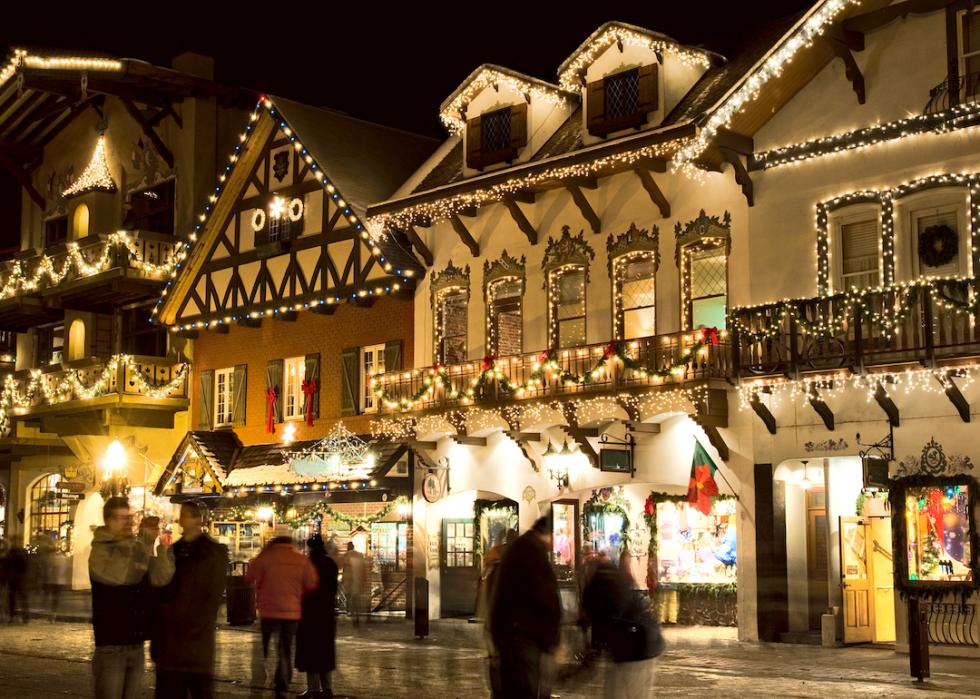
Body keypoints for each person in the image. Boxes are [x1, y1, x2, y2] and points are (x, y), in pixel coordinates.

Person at [90, 496, 174, 699]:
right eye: (121, 518)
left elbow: (161, 578)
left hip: (136, 644)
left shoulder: (137, 547)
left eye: (129, 517)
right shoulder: (100, 549)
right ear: (108, 521)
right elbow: (121, 577)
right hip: (110, 645)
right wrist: (141, 546)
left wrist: (161, 549)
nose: (128, 522)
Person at [152, 502, 228, 698]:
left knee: (199, 689)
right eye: (182, 515)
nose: (182, 520)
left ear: (197, 520)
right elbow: (164, 590)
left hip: (197, 641)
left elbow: (213, 596)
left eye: (186, 515)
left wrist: (197, 622)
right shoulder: (174, 550)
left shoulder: (213, 552)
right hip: (171, 642)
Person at [489, 516, 560, 699]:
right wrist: (552, 640)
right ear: (547, 534)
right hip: (524, 639)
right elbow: (545, 597)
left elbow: (498, 598)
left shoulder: (519, 549)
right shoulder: (533, 552)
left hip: (510, 637)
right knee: (524, 690)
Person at [245, 531, 318, 698]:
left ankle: (261, 679)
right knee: (285, 649)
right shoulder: (300, 559)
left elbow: (249, 576)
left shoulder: (266, 556)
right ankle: (282, 683)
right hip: (292, 613)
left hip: (268, 611)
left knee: (264, 647)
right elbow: (311, 583)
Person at [580, 556, 664, 699]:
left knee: (622, 693)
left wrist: (591, 656)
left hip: (636, 647)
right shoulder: (611, 581)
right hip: (639, 645)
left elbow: (606, 622)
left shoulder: (604, 586)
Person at [295, 535, 338, 699]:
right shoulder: (330, 563)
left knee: (311, 650)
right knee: (325, 650)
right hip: (326, 611)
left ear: (310, 548)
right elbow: (333, 587)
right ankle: (327, 688)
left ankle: (313, 688)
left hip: (309, 612)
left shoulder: (306, 564)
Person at [480, 528, 517, 698]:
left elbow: (485, 604)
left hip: (498, 630)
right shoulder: (514, 567)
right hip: (508, 631)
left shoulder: (493, 567)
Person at [340, 542, 367, 624]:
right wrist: (364, 578)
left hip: (348, 578)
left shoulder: (346, 555)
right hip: (357, 578)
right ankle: (356, 611)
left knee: (348, 595)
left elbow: (343, 568)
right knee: (356, 596)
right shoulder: (360, 555)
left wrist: (343, 578)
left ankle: (349, 611)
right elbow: (363, 568)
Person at [44, 546, 72, 620]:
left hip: (53, 581)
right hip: (60, 581)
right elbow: (66, 570)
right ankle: (54, 614)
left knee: (53, 598)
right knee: (56, 598)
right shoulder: (63, 559)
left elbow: (49, 570)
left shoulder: (52, 559)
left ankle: (52, 614)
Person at [6, 543, 29, 624]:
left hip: (12, 580)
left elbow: (7, 568)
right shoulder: (22, 556)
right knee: (23, 598)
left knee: (12, 599)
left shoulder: (9, 556)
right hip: (21, 579)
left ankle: (12, 616)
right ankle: (25, 617)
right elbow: (26, 567)